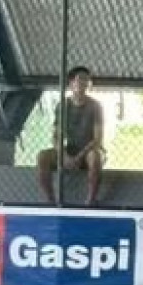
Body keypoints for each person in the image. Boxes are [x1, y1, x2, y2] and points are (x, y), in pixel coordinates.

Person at [38, 66, 105, 206]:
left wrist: (79, 157)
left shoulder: (95, 106)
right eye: (80, 79)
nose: (84, 83)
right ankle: (50, 201)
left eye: (87, 80)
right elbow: (56, 135)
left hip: (88, 150)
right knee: (42, 156)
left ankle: (90, 201)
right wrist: (64, 155)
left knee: (95, 157)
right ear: (71, 83)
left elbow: (97, 139)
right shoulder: (63, 105)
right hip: (69, 150)